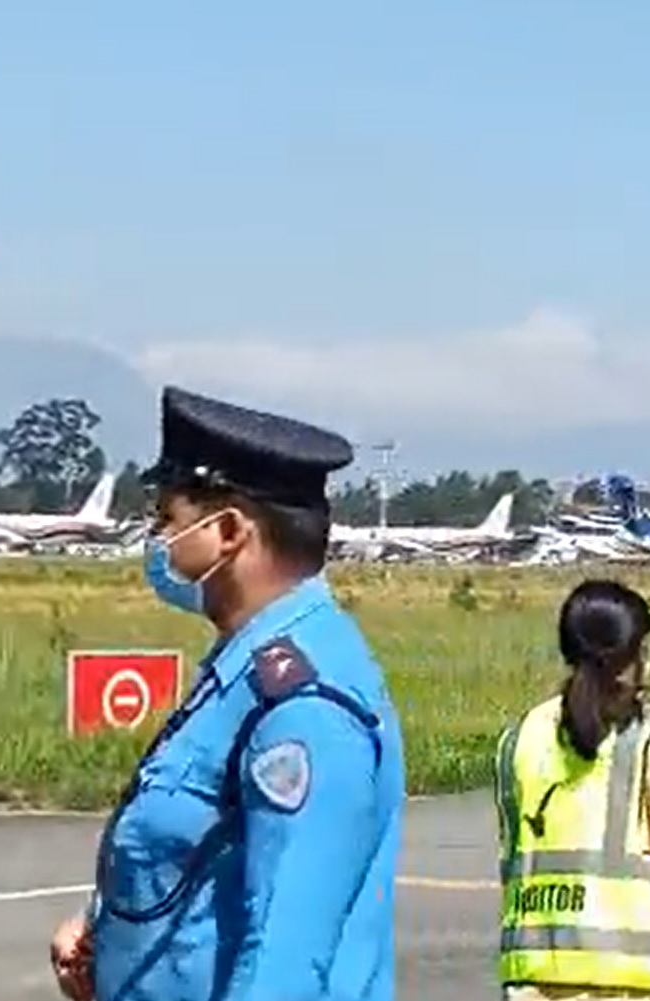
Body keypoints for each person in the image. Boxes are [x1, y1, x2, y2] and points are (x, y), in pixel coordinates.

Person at [46, 386, 406, 1001]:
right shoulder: (241, 673)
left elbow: (283, 961)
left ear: (230, 530)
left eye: (167, 518)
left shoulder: (302, 707)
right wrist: (109, 931)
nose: (156, 540)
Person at [496, 579, 650, 1001]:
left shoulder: (519, 739)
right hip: (627, 983)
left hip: (532, 981)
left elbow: (511, 864)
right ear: (633, 657)